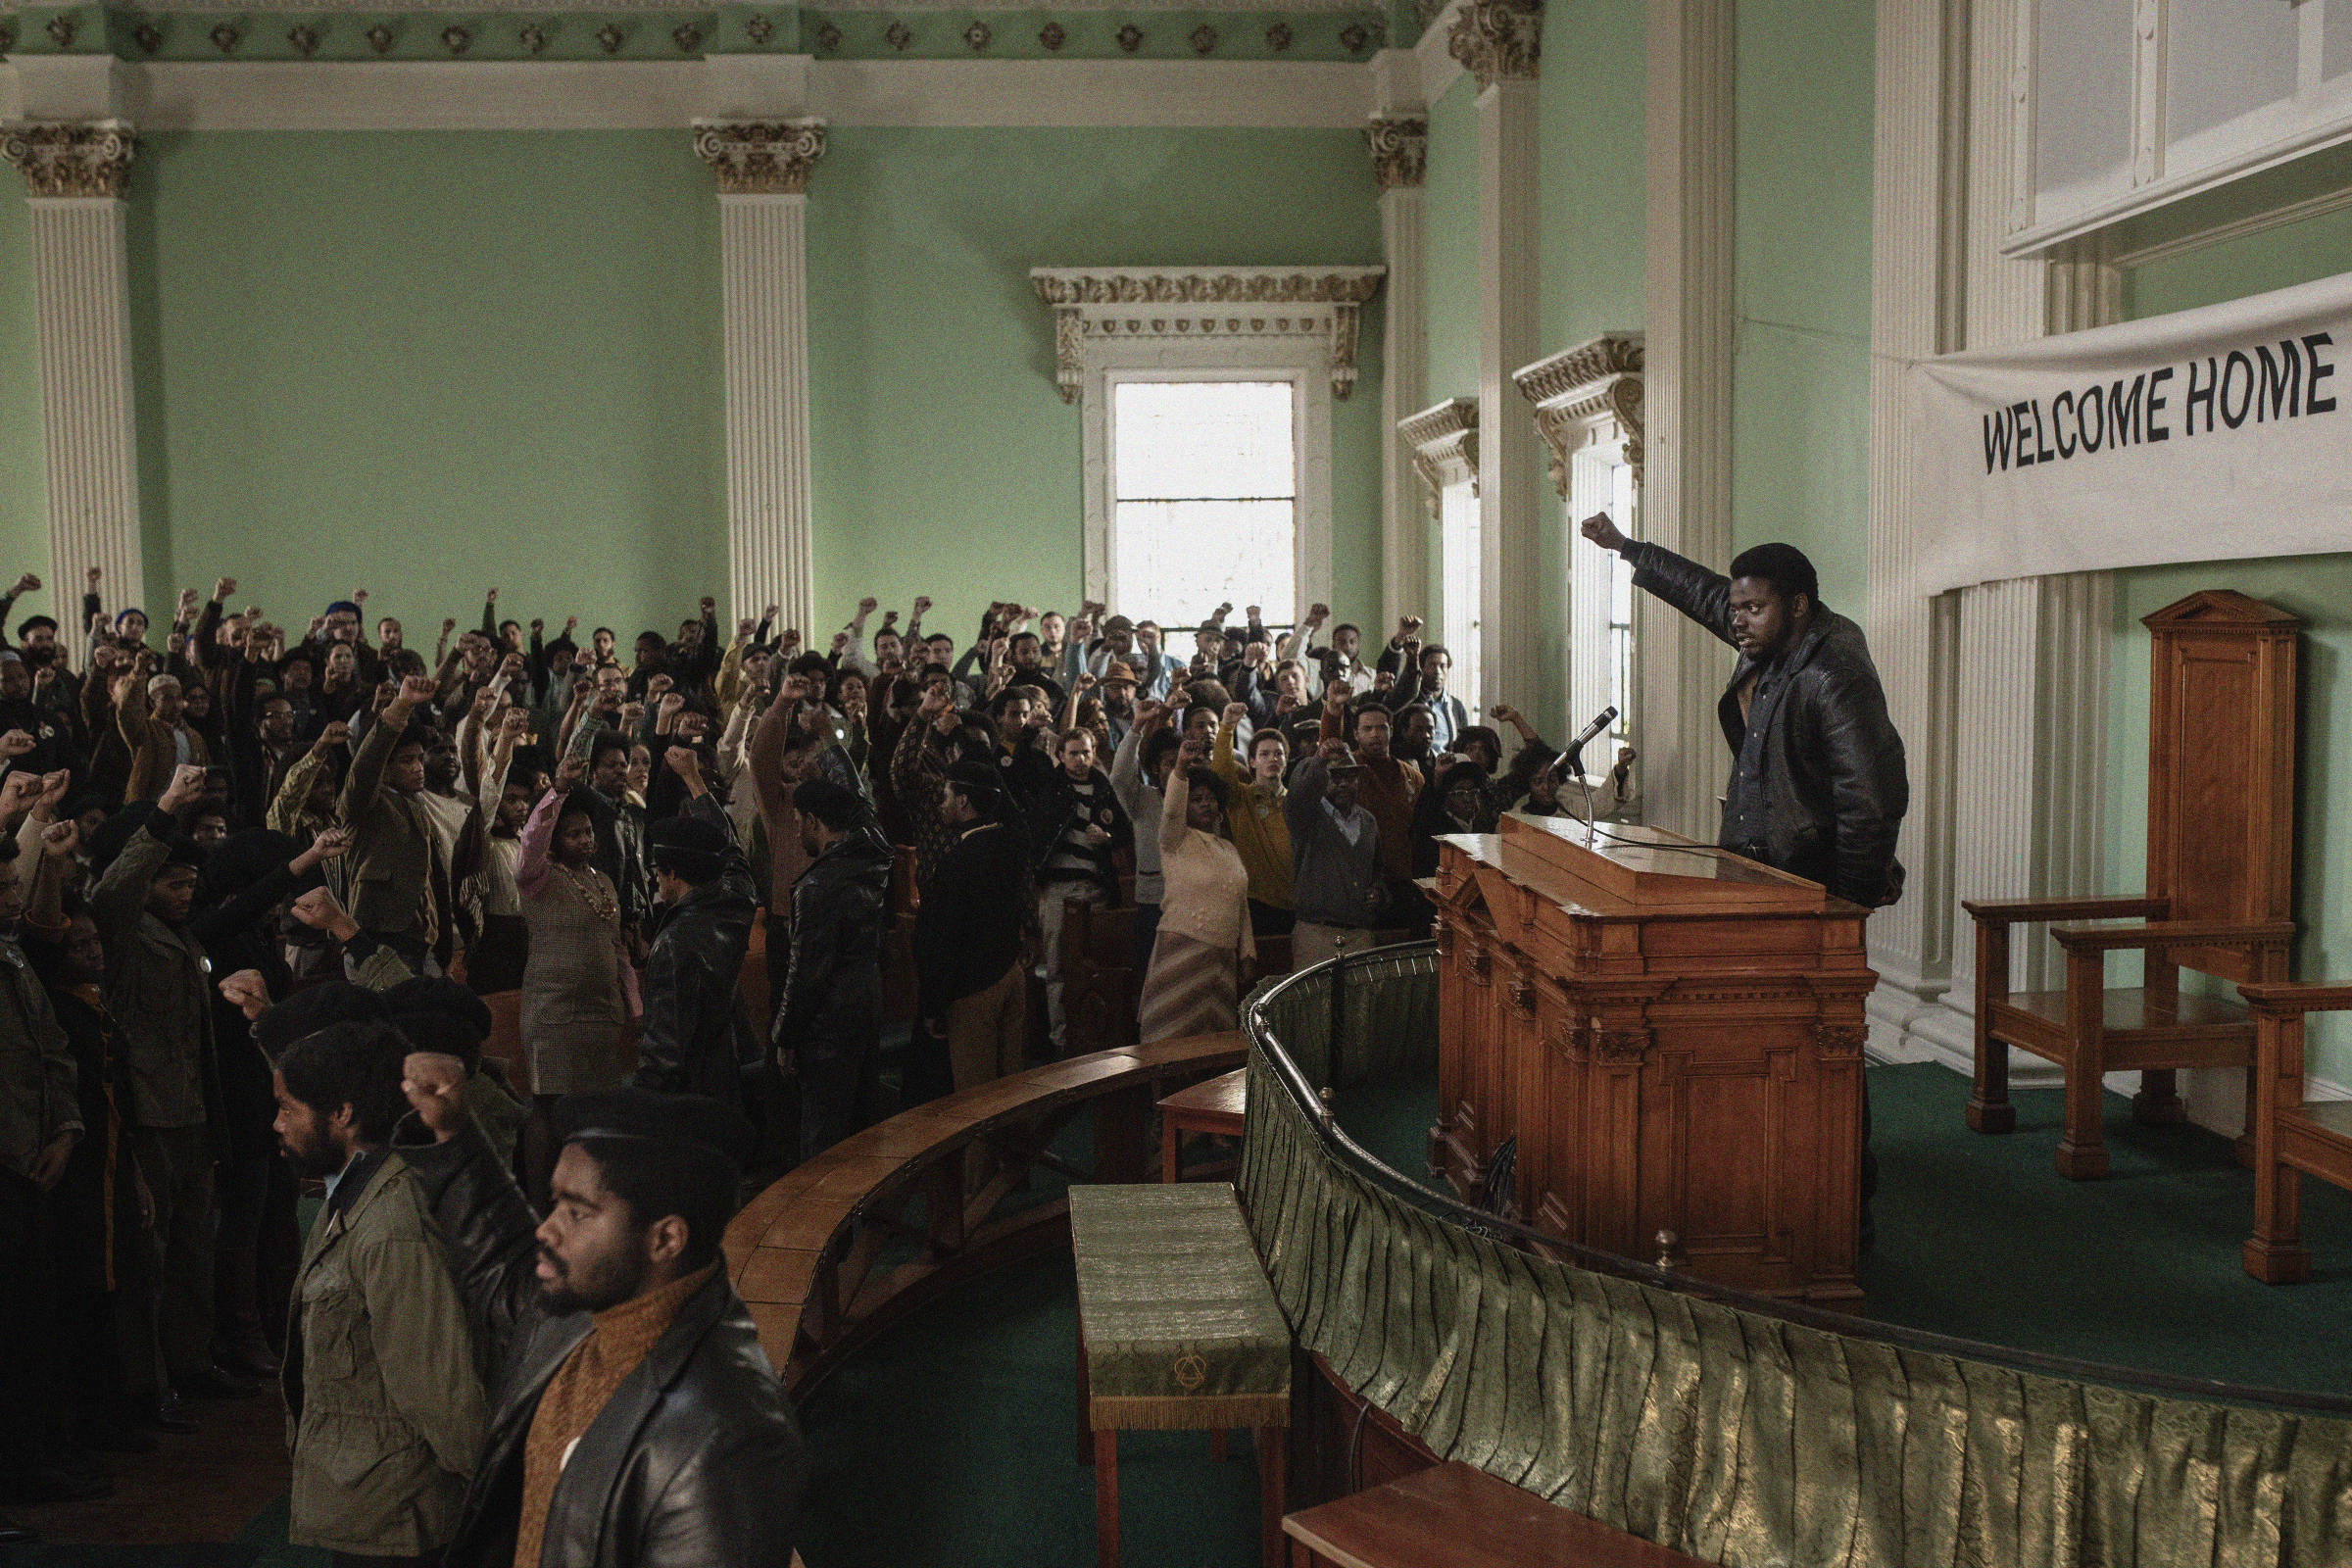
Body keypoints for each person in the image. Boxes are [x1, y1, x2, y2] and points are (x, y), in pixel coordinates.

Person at [390, 1078, 806, 1568]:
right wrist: (452, 1130)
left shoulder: (729, 1438)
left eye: (577, 1212)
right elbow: (502, 1257)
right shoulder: (589, 1310)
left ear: (665, 1240)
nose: (547, 1228)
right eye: (554, 1203)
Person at [1580, 512, 1908, 906]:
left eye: (1752, 608)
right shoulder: (1766, 632)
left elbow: (1870, 800)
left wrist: (1847, 906)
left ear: (1798, 605)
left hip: (1806, 883)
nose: (1737, 620)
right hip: (1749, 866)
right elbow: (1700, 590)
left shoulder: (1835, 674)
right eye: (1735, 608)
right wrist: (1626, 547)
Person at [272, 1020, 489, 1567]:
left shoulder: (392, 1224)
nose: (277, 1124)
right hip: (369, 1508)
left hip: (397, 1525)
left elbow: (442, 1391)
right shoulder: (351, 1194)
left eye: (288, 1108)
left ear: (342, 1114)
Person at [90, 764, 250, 1405]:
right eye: (171, 881)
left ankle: (190, 1364)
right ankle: (146, 1386)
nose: (184, 892)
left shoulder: (181, 936)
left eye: (189, 881)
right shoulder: (123, 932)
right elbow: (113, 889)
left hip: (190, 1111)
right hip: (149, 1116)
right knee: (149, 1263)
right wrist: (163, 812)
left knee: (192, 1254)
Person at [515, 757, 637, 1196]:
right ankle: (538, 1203)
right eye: (573, 833)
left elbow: (616, 947)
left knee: (594, 1110)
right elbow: (531, 838)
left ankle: (584, 1195)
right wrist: (559, 791)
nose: (585, 840)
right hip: (553, 1011)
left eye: (588, 832)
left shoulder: (603, 881)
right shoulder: (538, 878)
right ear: (555, 840)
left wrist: (632, 1004)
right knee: (547, 1109)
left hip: (600, 1010)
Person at [774, 778, 891, 1161]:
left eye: (797, 821)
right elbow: (866, 810)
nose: (796, 831)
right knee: (865, 1131)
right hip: (867, 1002)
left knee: (823, 1147)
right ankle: (868, 1219)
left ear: (812, 821)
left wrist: (785, 1036)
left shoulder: (818, 883)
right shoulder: (872, 856)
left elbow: (806, 972)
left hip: (828, 1023)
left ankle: (822, 1222)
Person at [632, 757, 758, 1110]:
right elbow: (732, 853)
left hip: (687, 1095)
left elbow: (665, 1048)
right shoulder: (734, 902)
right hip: (724, 1074)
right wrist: (694, 780)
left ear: (672, 873)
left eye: (658, 870)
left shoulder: (674, 942)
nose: (656, 879)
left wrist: (641, 1102)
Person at [911, 761, 1029, 1093]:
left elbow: (943, 938)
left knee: (976, 1100)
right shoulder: (1012, 843)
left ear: (963, 802)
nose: (942, 804)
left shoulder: (958, 861)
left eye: (947, 796)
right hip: (1010, 973)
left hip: (975, 987)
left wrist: (933, 1003)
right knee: (1011, 1091)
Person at [1020, 727, 1129, 1055]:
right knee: (1057, 966)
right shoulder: (1052, 788)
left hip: (1095, 888)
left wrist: (1106, 839)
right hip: (1059, 889)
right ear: (1061, 755)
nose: (1081, 760)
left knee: (1094, 968)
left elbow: (1122, 831)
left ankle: (1093, 1035)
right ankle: (1060, 1039)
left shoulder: (1102, 788)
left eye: (1086, 752)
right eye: (1073, 753)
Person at [339, 675, 454, 970]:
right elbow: (368, 761)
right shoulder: (364, 801)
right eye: (406, 761)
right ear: (385, 767)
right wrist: (400, 706)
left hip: (418, 938)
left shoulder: (414, 801)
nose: (418, 768)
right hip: (377, 938)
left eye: (419, 758)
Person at [1138, 764, 1254, 1042]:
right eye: (1197, 799)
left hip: (1222, 961)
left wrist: (1247, 953)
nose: (1206, 804)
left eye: (1211, 799)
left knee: (1212, 1048)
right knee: (1167, 1043)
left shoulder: (1229, 849)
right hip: (1182, 954)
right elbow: (1170, 810)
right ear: (1185, 805)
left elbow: (1241, 905)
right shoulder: (1174, 840)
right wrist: (1180, 767)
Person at [1286, 741, 1383, 969]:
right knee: (1316, 1004)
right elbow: (1299, 793)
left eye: (1350, 778)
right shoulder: (1306, 817)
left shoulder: (1368, 821)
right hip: (1316, 932)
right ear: (1321, 780)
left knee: (1361, 1004)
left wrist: (1378, 892)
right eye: (1335, 778)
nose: (1343, 785)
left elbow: (1378, 871)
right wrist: (1319, 760)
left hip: (1360, 934)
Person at [1208, 702, 1292, 935]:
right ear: (1252, 761)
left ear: (1286, 761)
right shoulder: (1240, 798)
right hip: (1255, 903)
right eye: (1264, 754)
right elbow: (1221, 770)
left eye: (1278, 754)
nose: (1272, 759)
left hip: (1295, 903)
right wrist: (1226, 727)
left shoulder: (1294, 802)